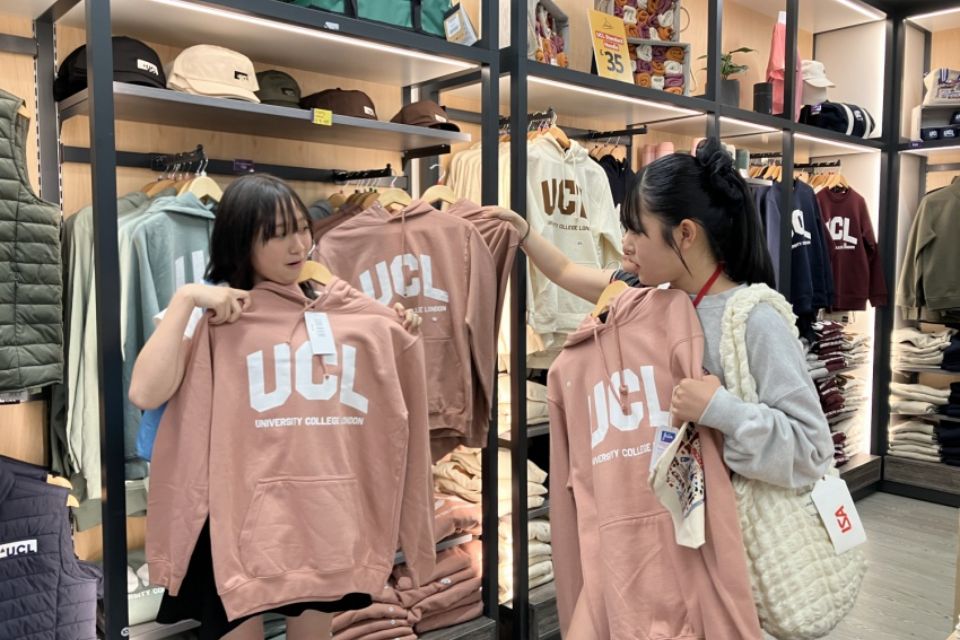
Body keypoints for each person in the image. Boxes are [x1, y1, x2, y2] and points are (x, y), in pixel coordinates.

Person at [485, 138, 834, 636]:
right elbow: (565, 270)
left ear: (685, 234)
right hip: (653, 552)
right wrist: (522, 233)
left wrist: (721, 410)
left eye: (636, 230)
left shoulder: (753, 319)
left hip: (722, 556)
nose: (624, 242)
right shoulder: (643, 298)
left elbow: (811, 448)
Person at [129, 174, 421, 640]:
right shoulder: (211, 313)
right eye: (278, 234)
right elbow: (145, 392)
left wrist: (393, 326)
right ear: (242, 241)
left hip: (315, 513)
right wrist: (188, 298)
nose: (298, 245)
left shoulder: (333, 308)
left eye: (302, 229)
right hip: (230, 516)